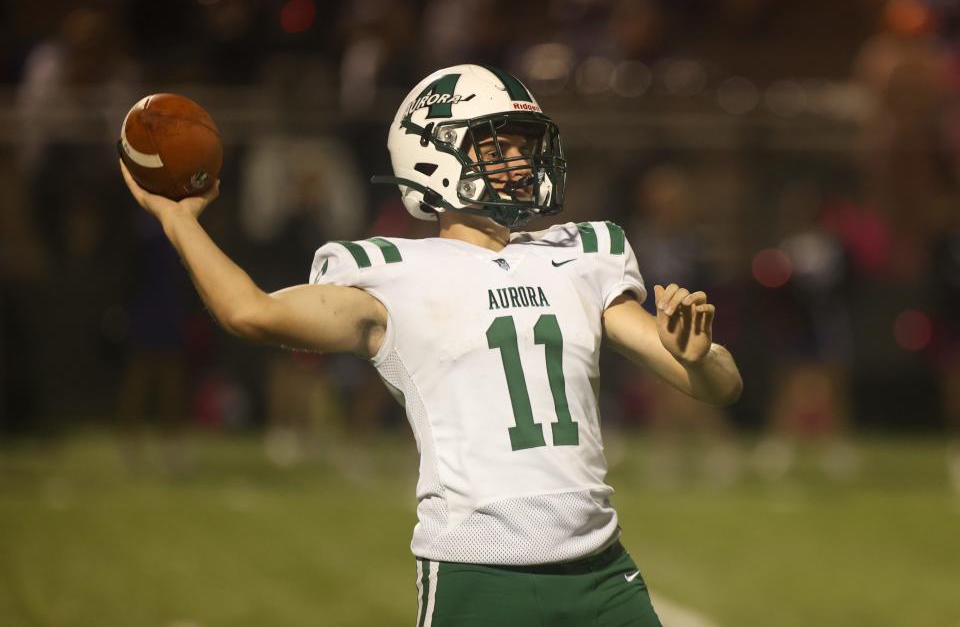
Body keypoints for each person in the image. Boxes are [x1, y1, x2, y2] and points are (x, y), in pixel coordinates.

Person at [119, 64, 742, 627]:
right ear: (431, 157)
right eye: (499, 147)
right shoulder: (392, 274)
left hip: (603, 572)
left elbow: (720, 386)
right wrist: (178, 219)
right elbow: (248, 312)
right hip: (481, 578)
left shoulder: (579, 255)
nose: (523, 164)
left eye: (526, 147)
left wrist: (697, 357)